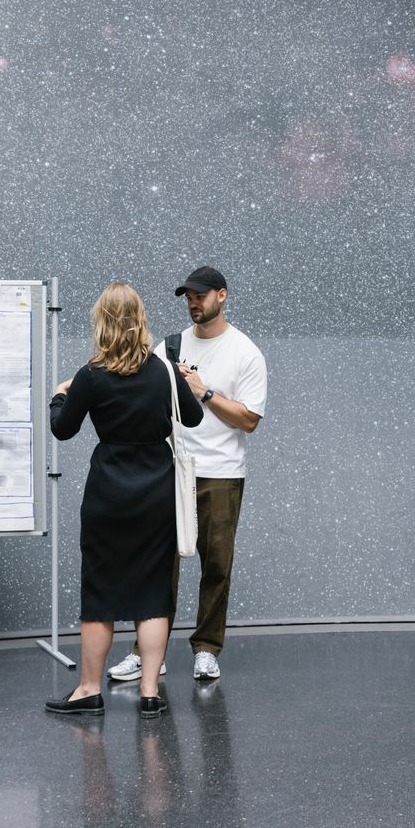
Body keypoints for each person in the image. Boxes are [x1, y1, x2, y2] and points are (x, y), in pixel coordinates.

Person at [45, 282, 203, 719]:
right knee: (153, 592)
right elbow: (192, 416)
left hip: (108, 494)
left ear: (103, 323)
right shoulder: (164, 371)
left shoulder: (91, 375)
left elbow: (63, 429)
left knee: (101, 593)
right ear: (141, 321)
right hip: (156, 493)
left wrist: (60, 395)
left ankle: (89, 690)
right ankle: (150, 692)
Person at [106, 266, 267, 682]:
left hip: (221, 474)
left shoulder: (244, 352)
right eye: (188, 297)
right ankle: (145, 654)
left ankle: (207, 649)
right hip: (171, 469)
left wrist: (205, 392)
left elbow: (249, 419)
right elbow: (146, 396)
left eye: (201, 295)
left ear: (222, 296)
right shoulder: (170, 346)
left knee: (216, 565)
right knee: (158, 565)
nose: (193, 303)